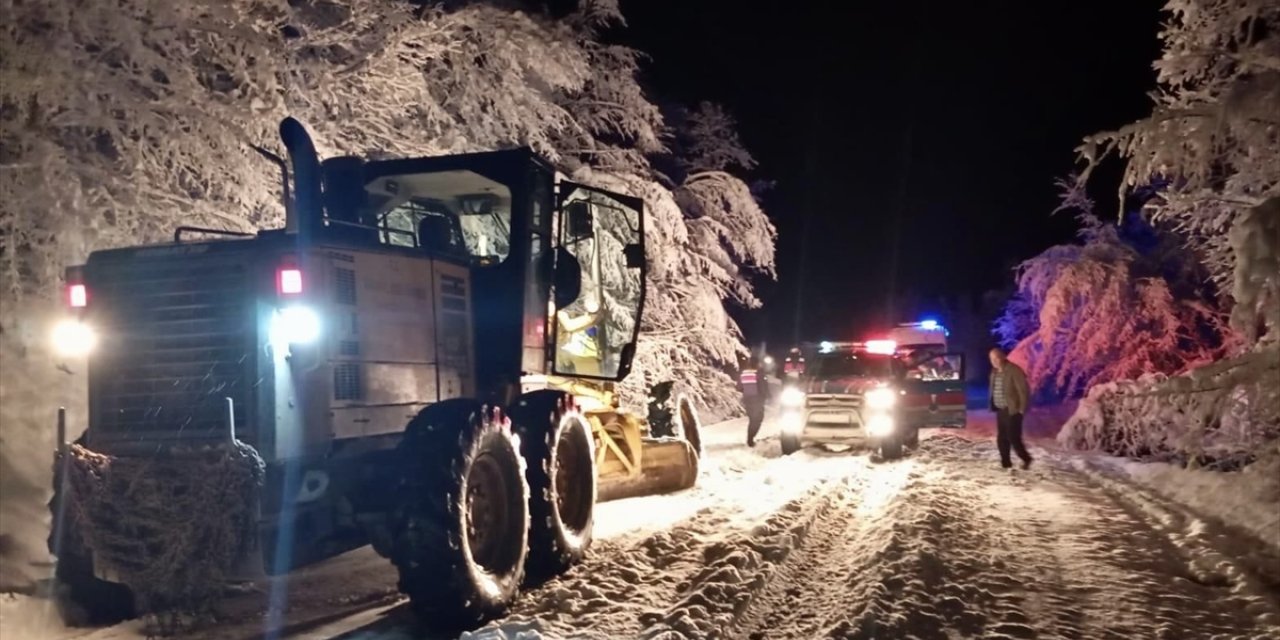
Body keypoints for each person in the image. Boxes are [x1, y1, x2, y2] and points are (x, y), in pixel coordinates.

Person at [988, 348, 1033, 470]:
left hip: (1013, 410)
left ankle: (1026, 458)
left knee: (1013, 437)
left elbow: (1023, 391)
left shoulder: (1014, 370)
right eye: (991, 359)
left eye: (996, 358)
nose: (994, 361)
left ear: (1003, 357)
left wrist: (1022, 409)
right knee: (1002, 438)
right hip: (1000, 409)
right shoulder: (994, 372)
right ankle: (1006, 463)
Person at [739, 355, 769, 448]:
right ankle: (750, 439)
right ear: (757, 363)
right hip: (757, 399)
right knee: (758, 419)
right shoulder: (759, 373)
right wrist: (767, 395)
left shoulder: (743, 373)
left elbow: (739, 387)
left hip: (747, 399)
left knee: (752, 419)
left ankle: (750, 438)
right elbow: (763, 386)